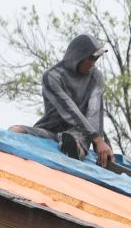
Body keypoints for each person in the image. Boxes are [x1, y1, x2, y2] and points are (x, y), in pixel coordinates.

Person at [9, 33, 113, 167]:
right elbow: (69, 110)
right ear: (78, 56)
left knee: (75, 142)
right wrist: (98, 140)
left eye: (96, 59)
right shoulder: (52, 77)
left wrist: (99, 143)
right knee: (16, 130)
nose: (92, 63)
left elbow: (94, 113)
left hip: (80, 134)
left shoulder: (96, 77)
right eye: (90, 59)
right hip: (50, 131)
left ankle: (74, 150)